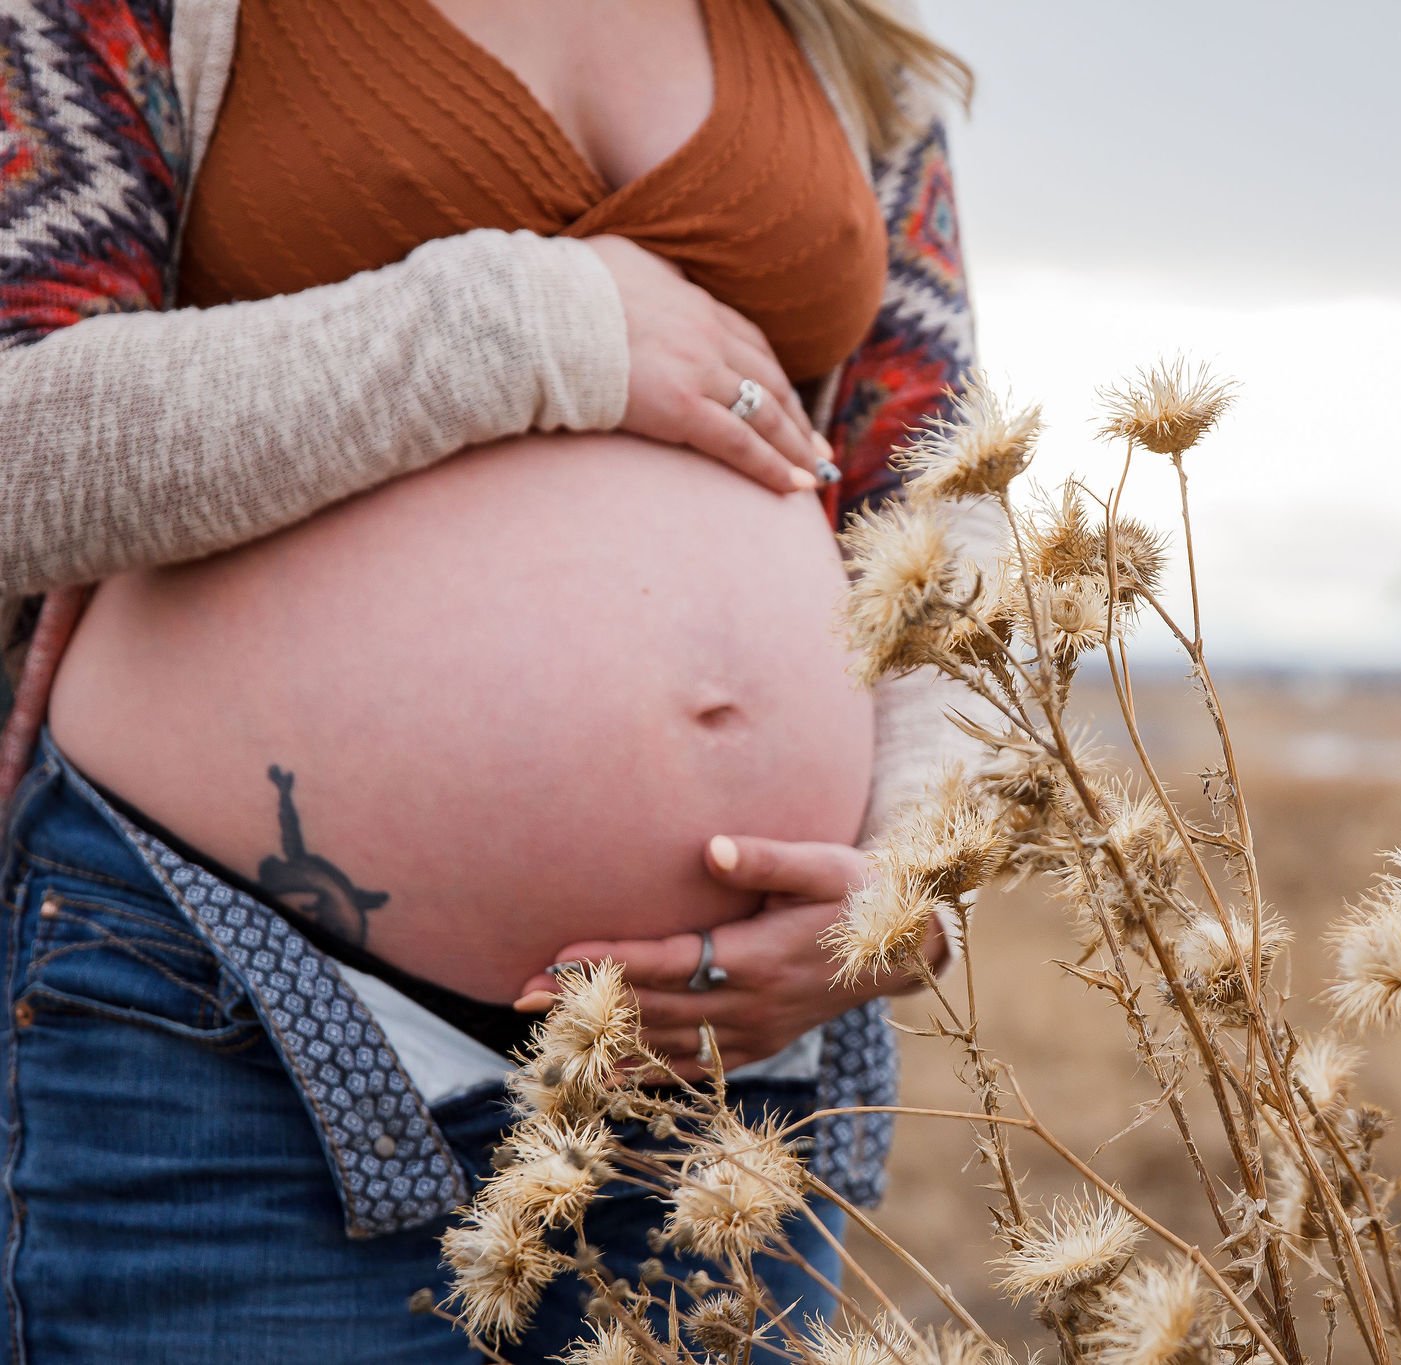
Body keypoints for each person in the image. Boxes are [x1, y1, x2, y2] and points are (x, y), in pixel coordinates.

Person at [0, 0, 996, 1357]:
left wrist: (916, 881)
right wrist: (524, 324)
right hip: (230, 1017)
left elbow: (943, 490)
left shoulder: (833, 33)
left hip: (728, 1076)